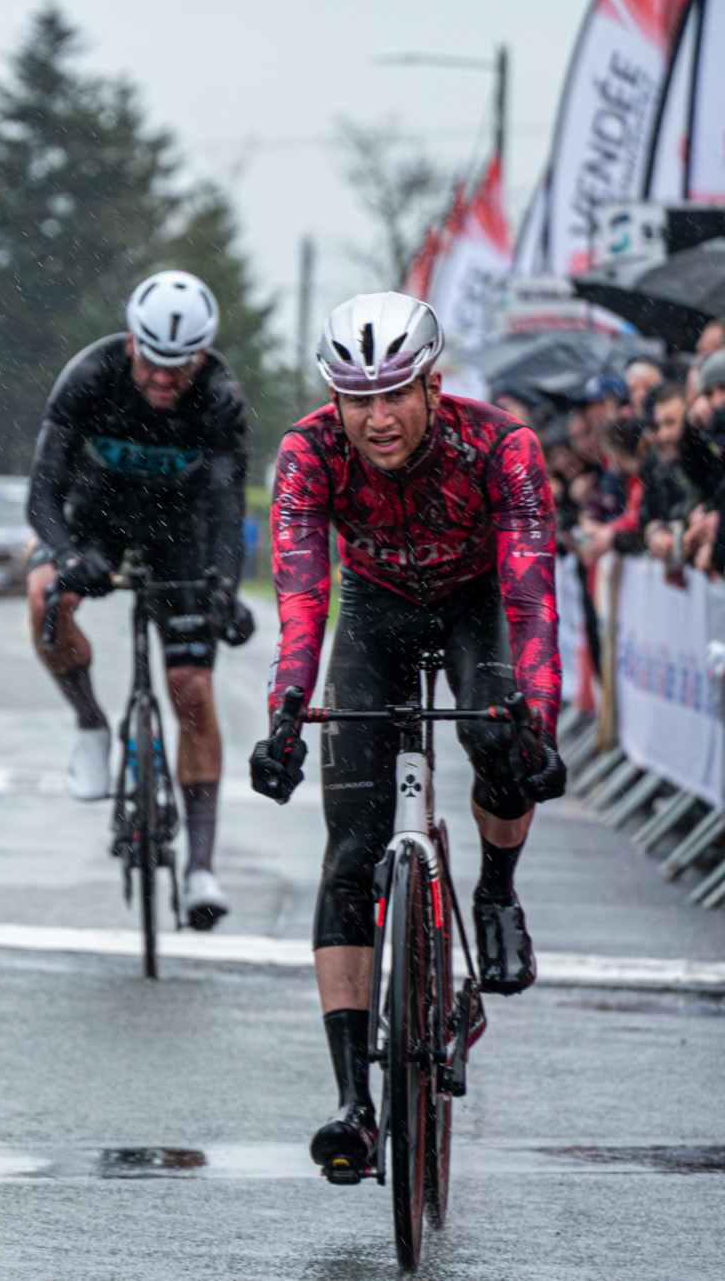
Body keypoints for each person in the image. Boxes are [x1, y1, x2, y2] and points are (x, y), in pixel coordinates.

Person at [248, 292, 565, 1184]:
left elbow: (532, 597)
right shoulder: (308, 452)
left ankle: (497, 891)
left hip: (474, 608)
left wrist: (536, 716)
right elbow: (303, 595)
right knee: (350, 849)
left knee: (503, 743)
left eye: (395, 393)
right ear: (335, 401)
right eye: (358, 398)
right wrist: (285, 714)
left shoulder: (501, 446)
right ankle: (353, 1100)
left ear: (433, 383)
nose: (377, 418)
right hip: (375, 614)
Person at [23, 270, 254, 930]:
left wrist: (223, 591)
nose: (164, 377)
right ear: (131, 342)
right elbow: (41, 493)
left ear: (202, 357)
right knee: (44, 596)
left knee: (191, 686)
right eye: (153, 360)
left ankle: (201, 865)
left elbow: (225, 508)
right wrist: (71, 556)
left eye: (180, 366)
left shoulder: (218, 397)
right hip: (93, 516)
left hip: (178, 531)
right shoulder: (90, 376)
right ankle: (92, 722)